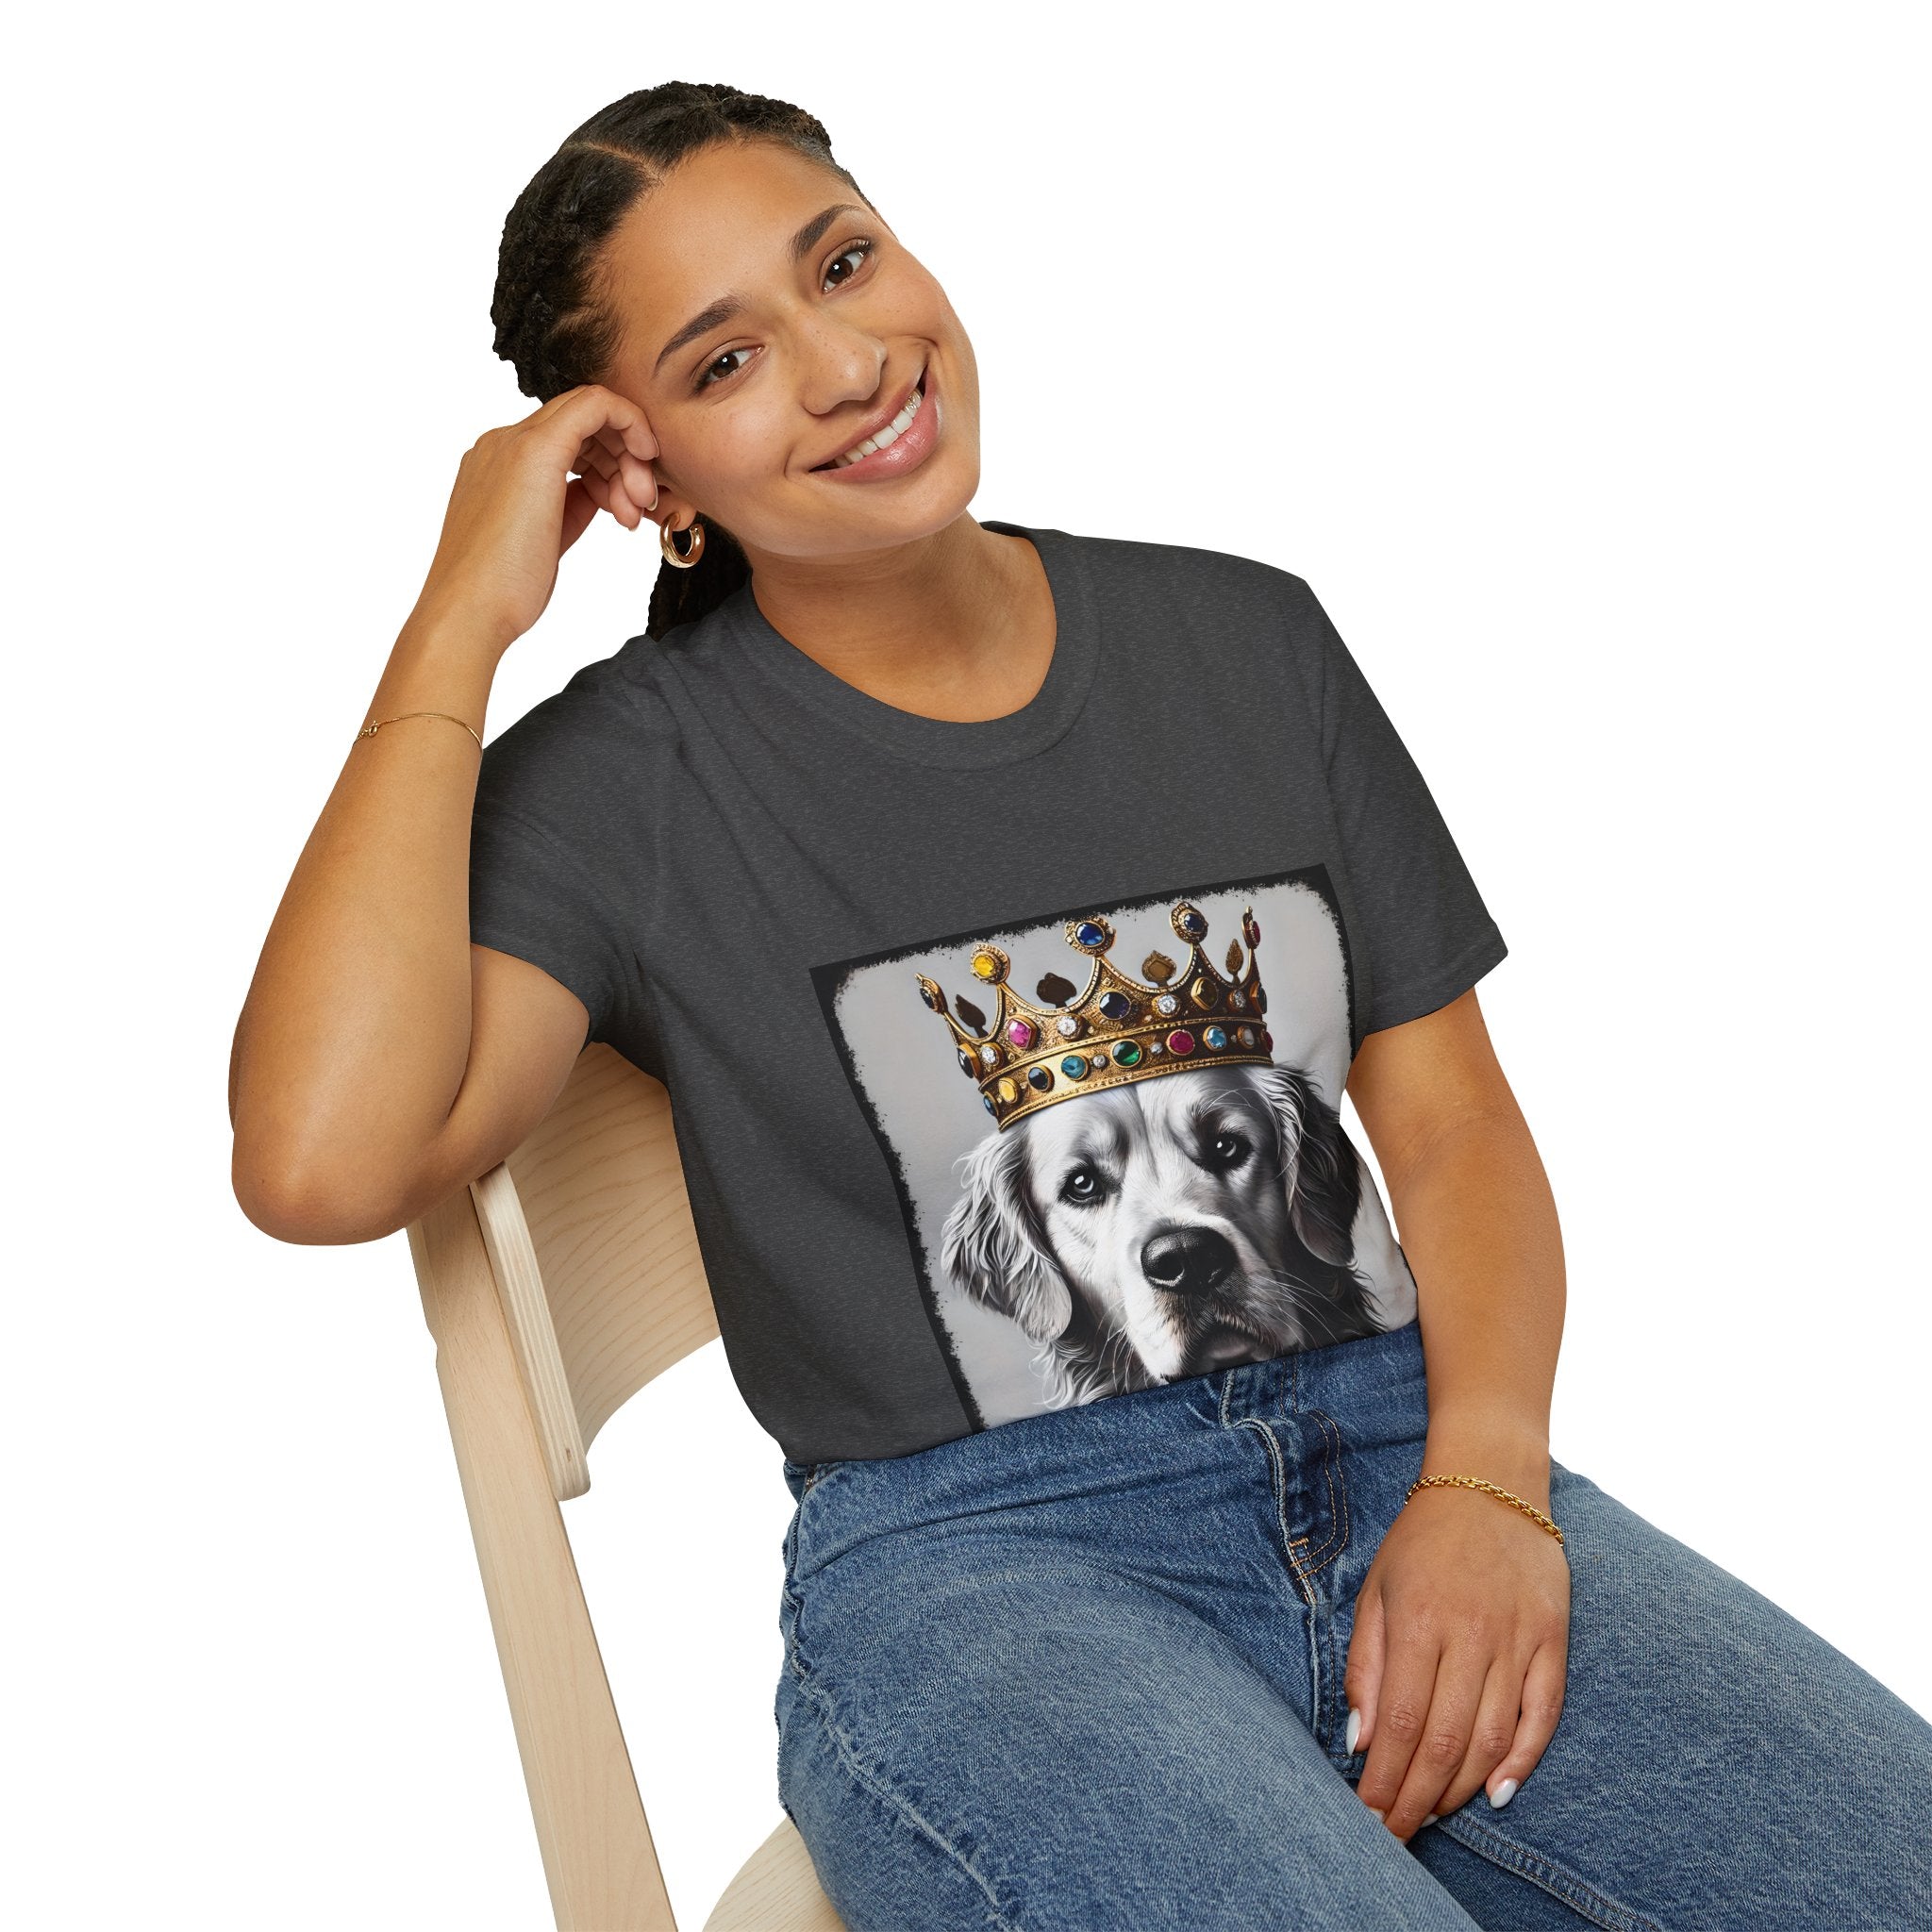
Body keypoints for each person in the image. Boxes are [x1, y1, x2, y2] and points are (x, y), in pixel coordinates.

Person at [228, 80, 1932, 1931]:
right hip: (986, 1569)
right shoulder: (630, 778)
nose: (845, 361)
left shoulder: (1246, 643)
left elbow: (1447, 1126)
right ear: (649, 482)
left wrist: (1490, 1487)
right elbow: (321, 1159)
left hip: (1403, 1449)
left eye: (845, 263)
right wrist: (456, 620)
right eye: (724, 362)